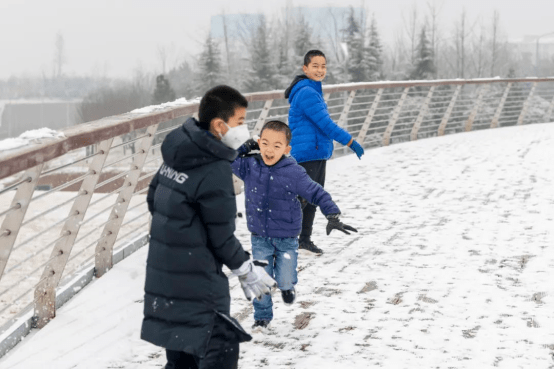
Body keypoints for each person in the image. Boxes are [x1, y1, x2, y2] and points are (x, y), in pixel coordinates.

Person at [141, 85, 276, 369]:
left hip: (165, 277)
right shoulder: (213, 170)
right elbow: (221, 237)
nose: (244, 129)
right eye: (240, 122)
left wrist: (183, 234)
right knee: (220, 351)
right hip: (197, 282)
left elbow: (155, 198)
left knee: (181, 357)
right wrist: (245, 270)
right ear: (219, 125)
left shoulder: (179, 152)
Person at [231, 120, 357, 330]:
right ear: (259, 143)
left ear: (287, 149)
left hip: (287, 238)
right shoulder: (250, 166)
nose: (270, 150)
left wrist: (332, 214)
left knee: (285, 277)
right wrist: (243, 148)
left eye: (277, 146)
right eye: (265, 144)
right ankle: (262, 317)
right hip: (260, 236)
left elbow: (316, 191)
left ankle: (287, 285)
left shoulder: (293, 172)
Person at [285, 49, 365, 255]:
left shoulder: (312, 90)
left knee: (311, 198)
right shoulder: (307, 93)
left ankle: (303, 241)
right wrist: (351, 142)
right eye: (315, 66)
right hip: (307, 154)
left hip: (315, 153)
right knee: (304, 199)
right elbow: (326, 125)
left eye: (323, 66)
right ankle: (286, 240)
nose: (320, 70)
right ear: (305, 68)